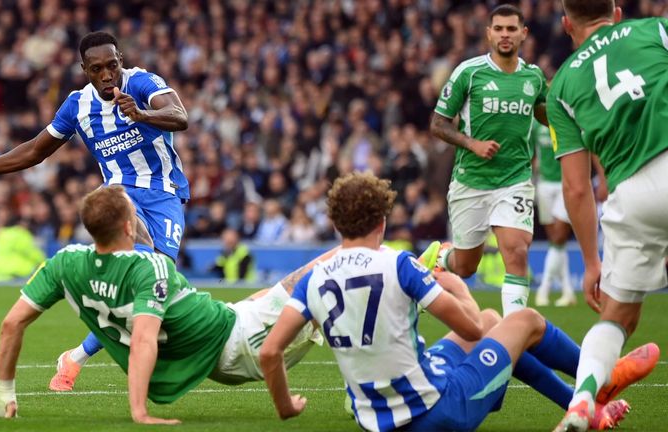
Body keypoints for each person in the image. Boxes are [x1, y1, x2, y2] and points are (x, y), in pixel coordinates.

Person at [260, 172, 653, 431]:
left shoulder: (313, 278)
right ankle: (598, 377)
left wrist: (285, 406)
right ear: (382, 222)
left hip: (375, 419)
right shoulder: (398, 264)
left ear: (335, 224)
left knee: (492, 318)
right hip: (437, 413)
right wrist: (457, 287)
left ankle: (582, 404)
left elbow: (269, 352)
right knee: (525, 321)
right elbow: (470, 327)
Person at [0, 31, 190, 391]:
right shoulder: (77, 105)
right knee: (140, 276)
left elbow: (179, 115)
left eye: (112, 65)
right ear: (85, 69)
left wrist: (142, 113)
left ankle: (75, 357)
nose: (107, 75)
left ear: (121, 60)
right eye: (97, 69)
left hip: (165, 194)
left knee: (153, 292)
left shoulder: (142, 83)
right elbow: (33, 151)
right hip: (119, 196)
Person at [0, 186, 324, 424]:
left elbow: (11, 323)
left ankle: (74, 358)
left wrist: (3, 392)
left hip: (228, 324)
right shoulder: (152, 267)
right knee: (324, 270)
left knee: (265, 295)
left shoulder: (65, 263)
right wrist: (139, 412)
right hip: (237, 342)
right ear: (128, 226)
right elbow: (144, 340)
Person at [547, 1, 667, 430]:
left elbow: (577, 188)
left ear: (567, 25)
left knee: (617, 317)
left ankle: (581, 401)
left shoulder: (560, 86)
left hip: (631, 197)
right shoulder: (655, 30)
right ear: (616, 13)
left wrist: (591, 262)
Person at [429, 4, 548, 316]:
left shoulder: (534, 77)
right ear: (489, 34)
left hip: (515, 179)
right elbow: (438, 124)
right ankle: (441, 257)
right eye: (499, 29)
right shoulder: (469, 73)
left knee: (517, 252)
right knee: (466, 267)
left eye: (511, 29)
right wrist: (472, 144)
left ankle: (514, 331)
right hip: (472, 181)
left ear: (523, 33)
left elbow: (545, 114)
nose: (505, 35)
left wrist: (574, 117)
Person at [532, 121, 577, 306]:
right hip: (543, 185)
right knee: (556, 243)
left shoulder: (565, 121)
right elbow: (531, 154)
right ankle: (568, 291)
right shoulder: (535, 125)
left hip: (564, 184)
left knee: (558, 237)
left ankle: (544, 289)